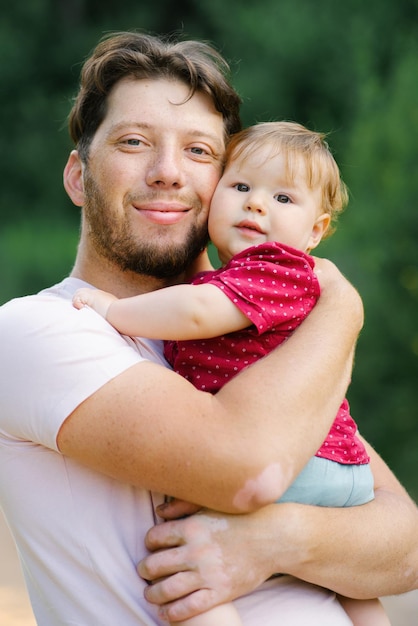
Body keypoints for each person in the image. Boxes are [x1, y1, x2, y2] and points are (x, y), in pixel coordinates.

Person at [0, 31, 416, 626]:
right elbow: (249, 469)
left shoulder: (257, 335)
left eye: (199, 152)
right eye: (134, 141)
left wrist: (274, 542)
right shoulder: (36, 330)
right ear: (77, 177)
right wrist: (342, 309)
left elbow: (404, 540)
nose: (168, 172)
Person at [72, 120, 387, 626]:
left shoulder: (274, 267)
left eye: (283, 199)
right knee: (350, 585)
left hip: (299, 463)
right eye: (241, 187)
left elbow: (199, 312)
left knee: (186, 561)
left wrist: (114, 312)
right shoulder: (276, 279)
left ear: (316, 231)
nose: (257, 204)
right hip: (338, 465)